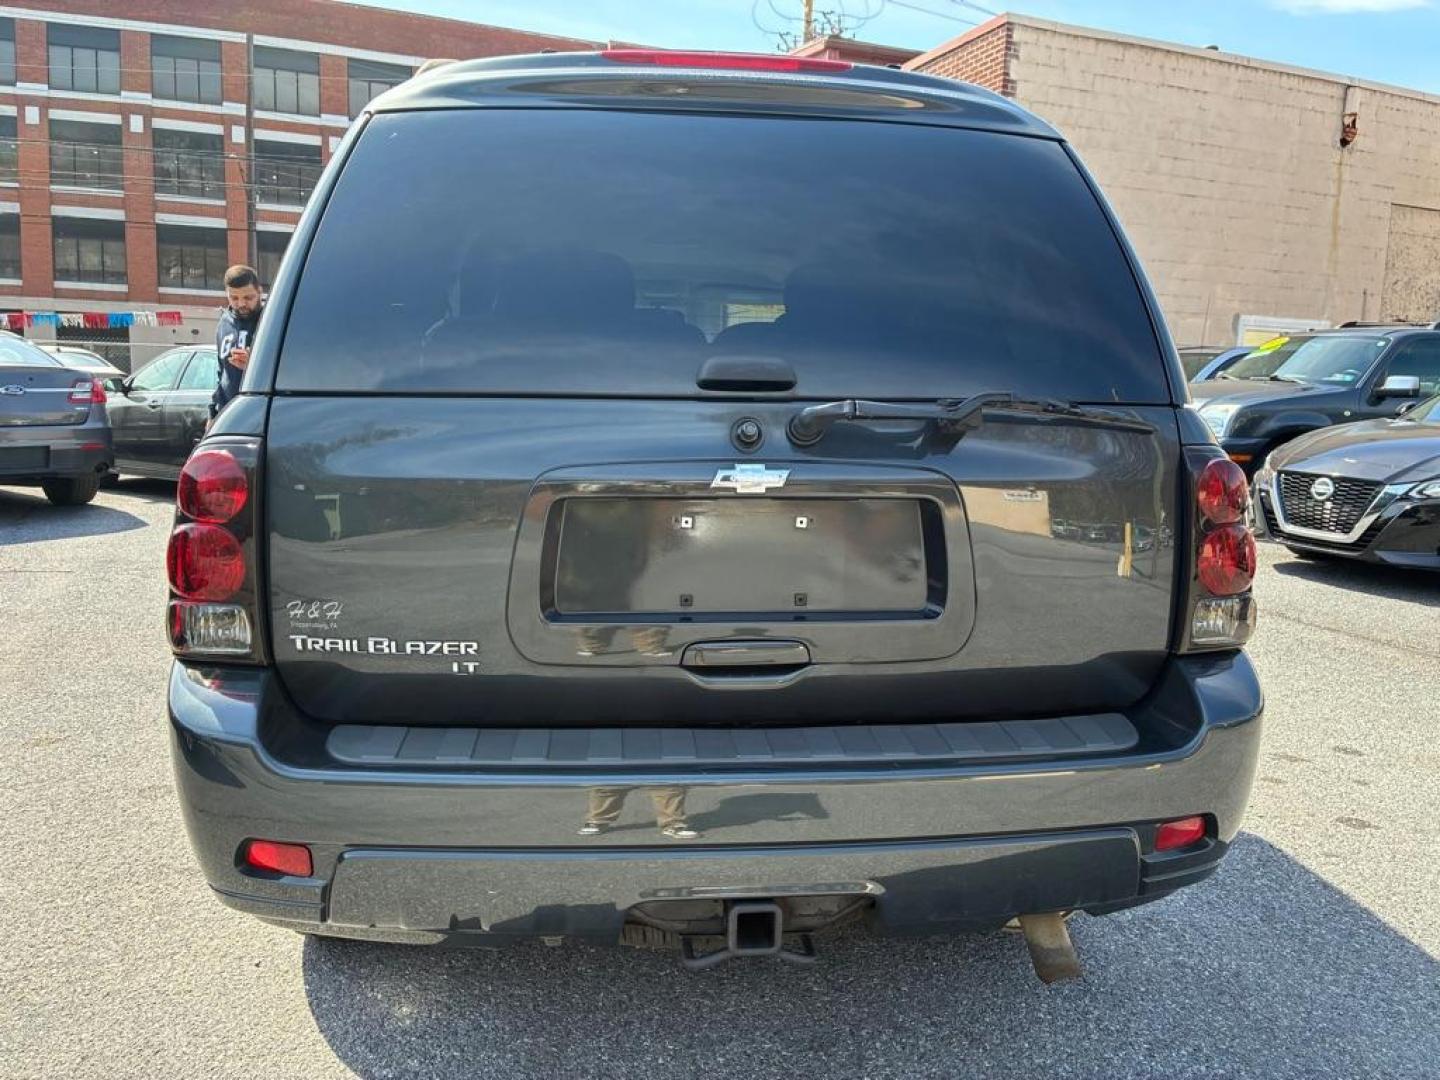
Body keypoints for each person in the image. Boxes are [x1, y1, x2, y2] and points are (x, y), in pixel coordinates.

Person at [210, 265, 265, 421]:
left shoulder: (270, 322)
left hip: (259, 413)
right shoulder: (224, 323)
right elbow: (221, 373)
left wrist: (254, 365)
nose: (241, 304)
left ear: (259, 292)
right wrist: (212, 413)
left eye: (248, 298)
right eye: (234, 298)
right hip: (227, 412)